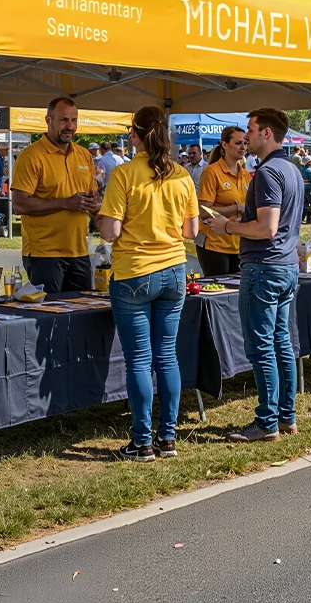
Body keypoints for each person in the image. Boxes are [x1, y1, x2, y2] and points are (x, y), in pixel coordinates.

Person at [96, 105, 198, 461]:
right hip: (173, 270)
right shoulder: (183, 175)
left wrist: (101, 217)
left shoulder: (124, 173)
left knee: (139, 361)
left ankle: (142, 442)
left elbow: (111, 232)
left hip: (135, 272)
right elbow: (192, 231)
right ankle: (167, 438)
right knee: (166, 356)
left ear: (134, 134)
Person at [215, 108, 303, 443]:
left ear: (266, 133)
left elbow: (266, 228)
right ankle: (285, 417)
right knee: (280, 342)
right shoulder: (291, 169)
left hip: (265, 266)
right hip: (283, 266)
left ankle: (267, 422)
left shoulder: (268, 173)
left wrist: (228, 226)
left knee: (262, 346)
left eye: (250, 130)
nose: (245, 136)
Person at [11, 97, 98, 292]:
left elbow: (92, 196)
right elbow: (20, 205)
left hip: (79, 251)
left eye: (74, 120)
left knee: (82, 314)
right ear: (48, 121)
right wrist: (65, 203)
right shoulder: (31, 156)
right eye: (64, 120)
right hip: (45, 254)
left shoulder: (84, 155)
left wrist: (93, 202)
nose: (70, 126)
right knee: (49, 318)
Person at [196, 126, 250, 276]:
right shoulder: (211, 172)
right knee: (219, 292)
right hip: (215, 245)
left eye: (245, 143)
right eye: (238, 143)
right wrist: (238, 208)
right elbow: (203, 211)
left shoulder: (245, 175)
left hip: (239, 244)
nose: (243, 147)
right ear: (224, 145)